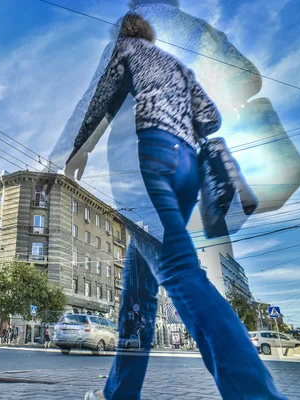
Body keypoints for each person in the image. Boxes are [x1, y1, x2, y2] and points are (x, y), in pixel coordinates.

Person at [67, 13, 286, 400]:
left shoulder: (126, 49)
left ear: (125, 33)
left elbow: (104, 96)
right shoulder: (177, 66)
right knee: (139, 289)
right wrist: (180, 123)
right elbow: (211, 117)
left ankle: (254, 394)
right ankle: (118, 392)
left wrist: (80, 146)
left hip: (150, 163)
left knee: (179, 270)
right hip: (187, 171)